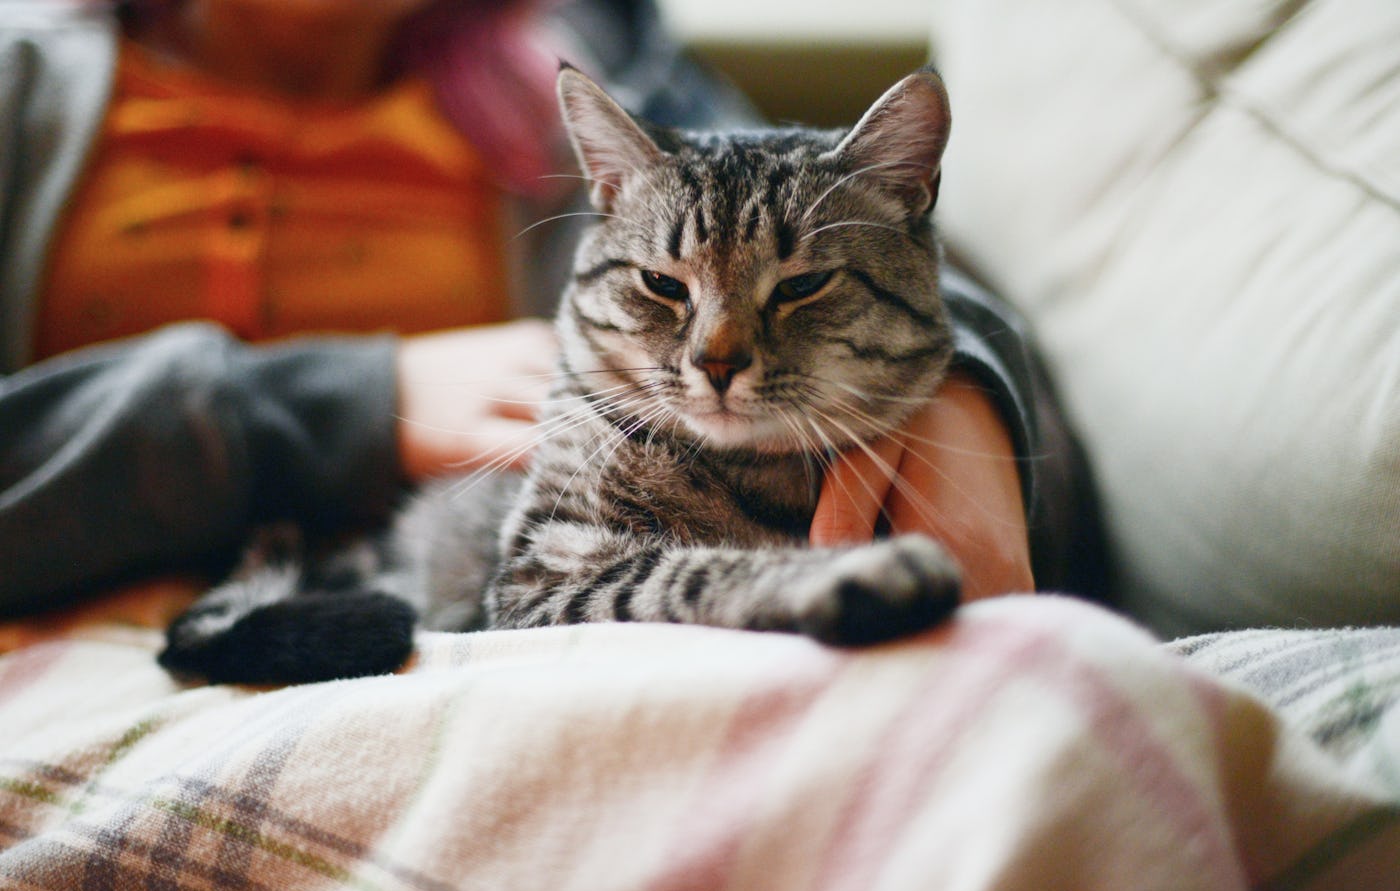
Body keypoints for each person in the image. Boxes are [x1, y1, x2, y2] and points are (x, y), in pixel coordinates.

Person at [0, 0, 1087, 622]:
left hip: (553, 596)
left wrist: (963, 399)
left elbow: (837, 218)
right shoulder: (22, 85)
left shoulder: (579, 59)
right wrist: (332, 405)